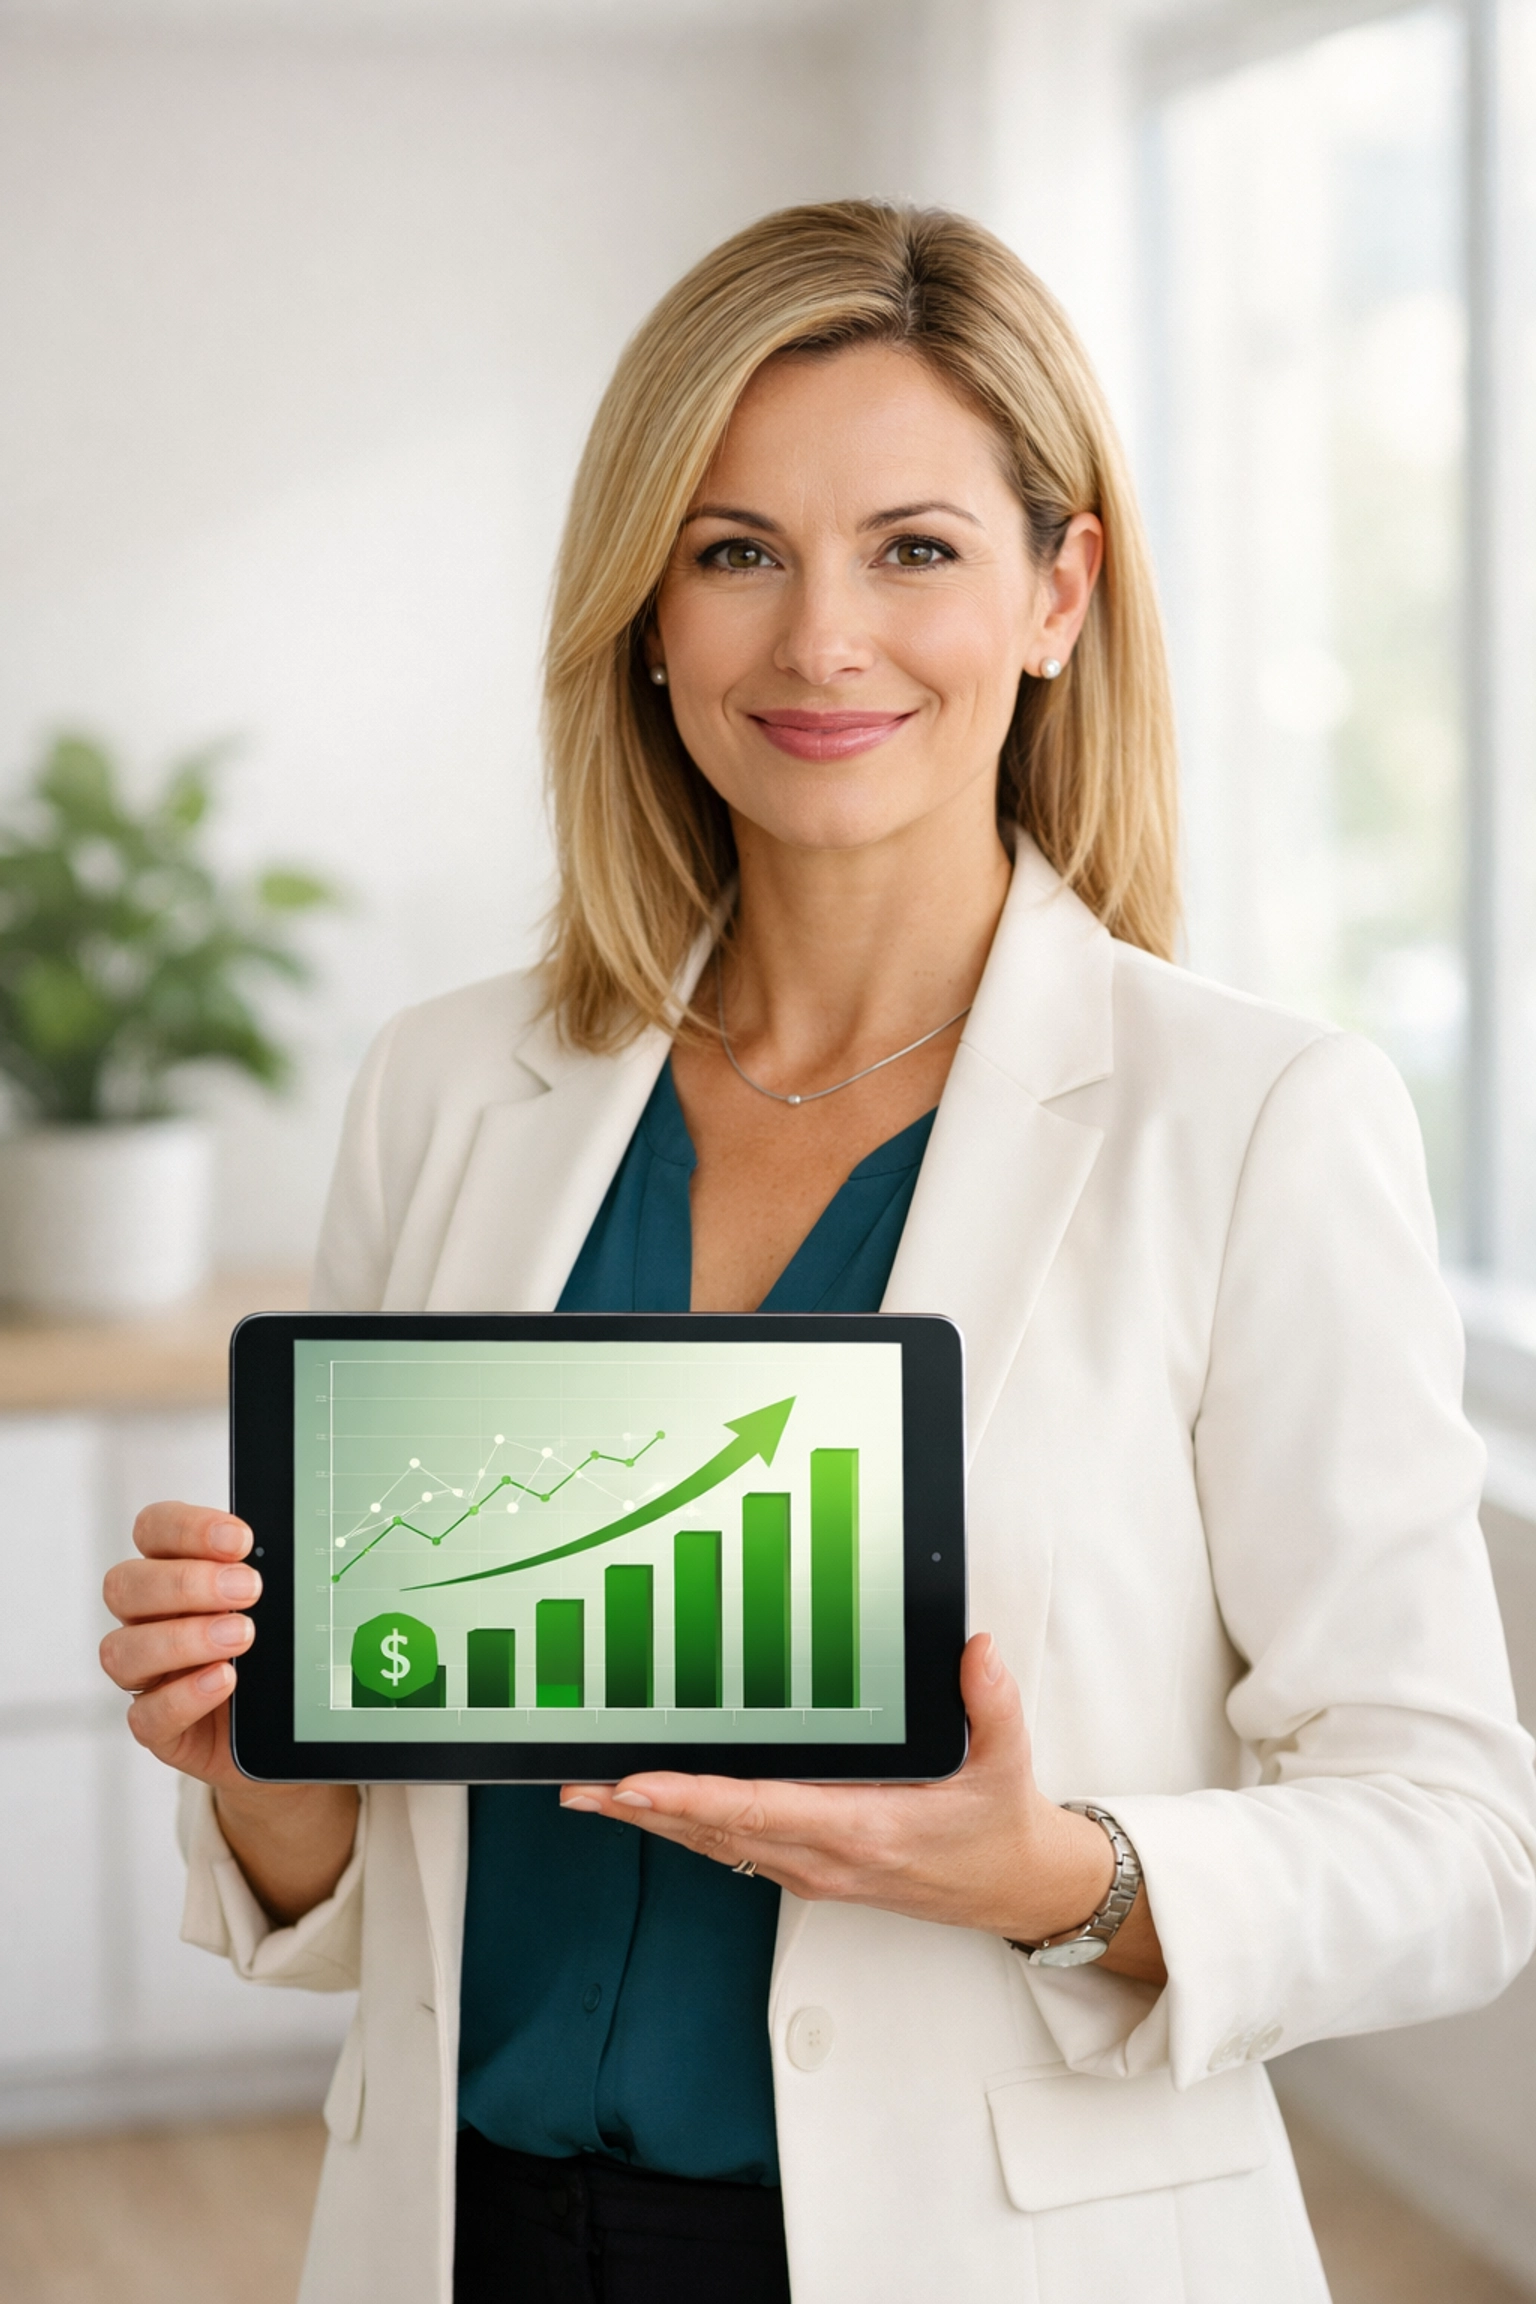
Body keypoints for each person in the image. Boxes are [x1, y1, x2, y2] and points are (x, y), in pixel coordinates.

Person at [100, 202, 1536, 2304]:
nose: (820, 641)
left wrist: (1051, 1877)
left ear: (1061, 590)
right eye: (736, 548)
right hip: (458, 2232)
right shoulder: (446, 1088)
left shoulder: (1253, 1117)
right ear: (647, 612)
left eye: (917, 549)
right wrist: (268, 1772)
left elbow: (1456, 1843)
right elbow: (370, 1872)